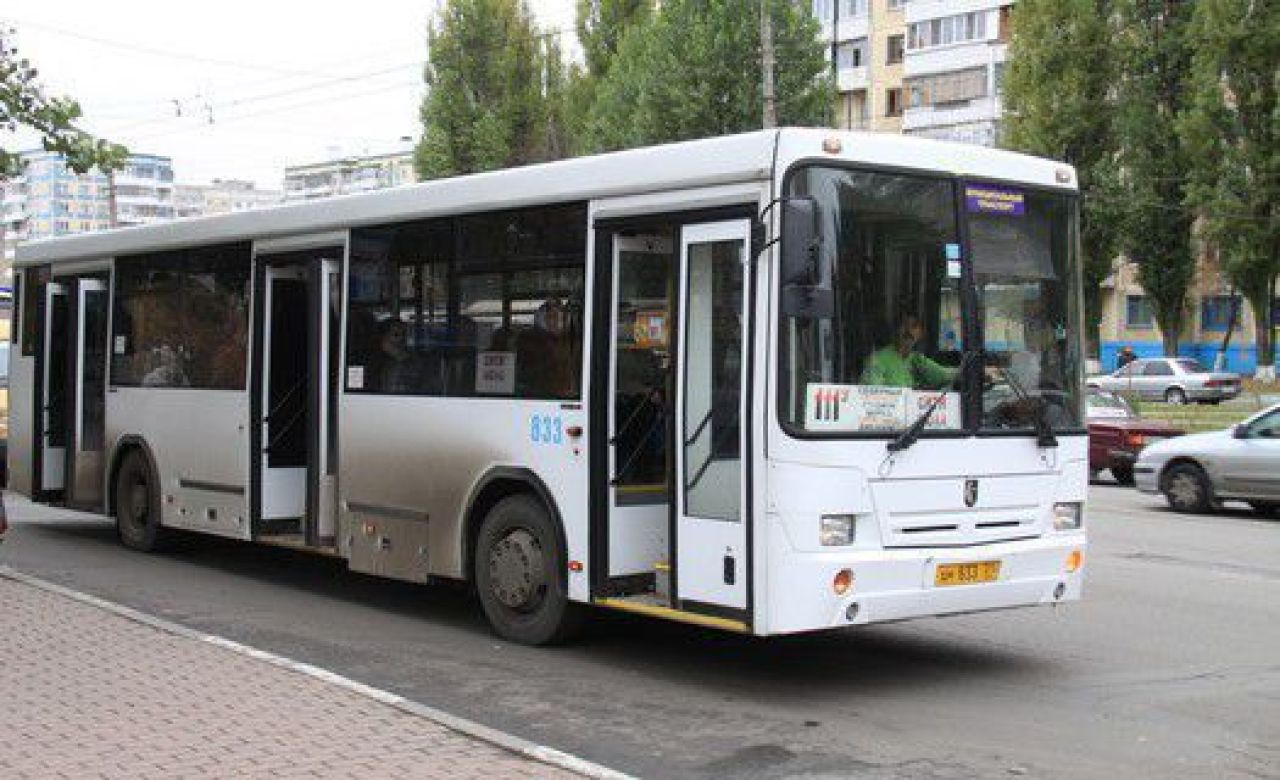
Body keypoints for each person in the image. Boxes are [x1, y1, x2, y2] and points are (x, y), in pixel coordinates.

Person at [860, 315, 955, 390]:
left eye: (914, 326)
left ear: (921, 334)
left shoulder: (918, 360)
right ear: (896, 330)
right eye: (904, 325)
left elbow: (945, 375)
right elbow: (873, 393)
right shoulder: (878, 360)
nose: (908, 331)